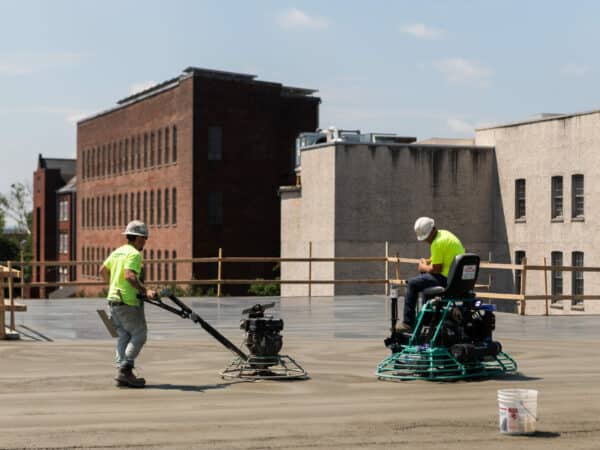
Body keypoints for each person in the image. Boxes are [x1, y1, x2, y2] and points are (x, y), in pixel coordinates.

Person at [99, 220, 154, 388]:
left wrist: (112, 286)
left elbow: (102, 270)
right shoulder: (134, 254)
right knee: (140, 334)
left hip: (113, 301)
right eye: (144, 238)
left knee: (124, 335)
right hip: (127, 302)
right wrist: (145, 291)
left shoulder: (118, 252)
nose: (145, 241)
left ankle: (122, 371)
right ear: (137, 238)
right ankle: (126, 369)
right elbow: (129, 276)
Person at [395, 217, 465, 334]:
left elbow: (437, 269)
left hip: (446, 279)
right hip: (457, 279)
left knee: (412, 284)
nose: (425, 240)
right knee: (427, 289)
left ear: (431, 231)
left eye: (425, 237)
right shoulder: (445, 234)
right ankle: (427, 321)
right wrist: (428, 261)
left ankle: (408, 323)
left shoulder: (436, 243)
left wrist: (423, 267)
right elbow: (440, 258)